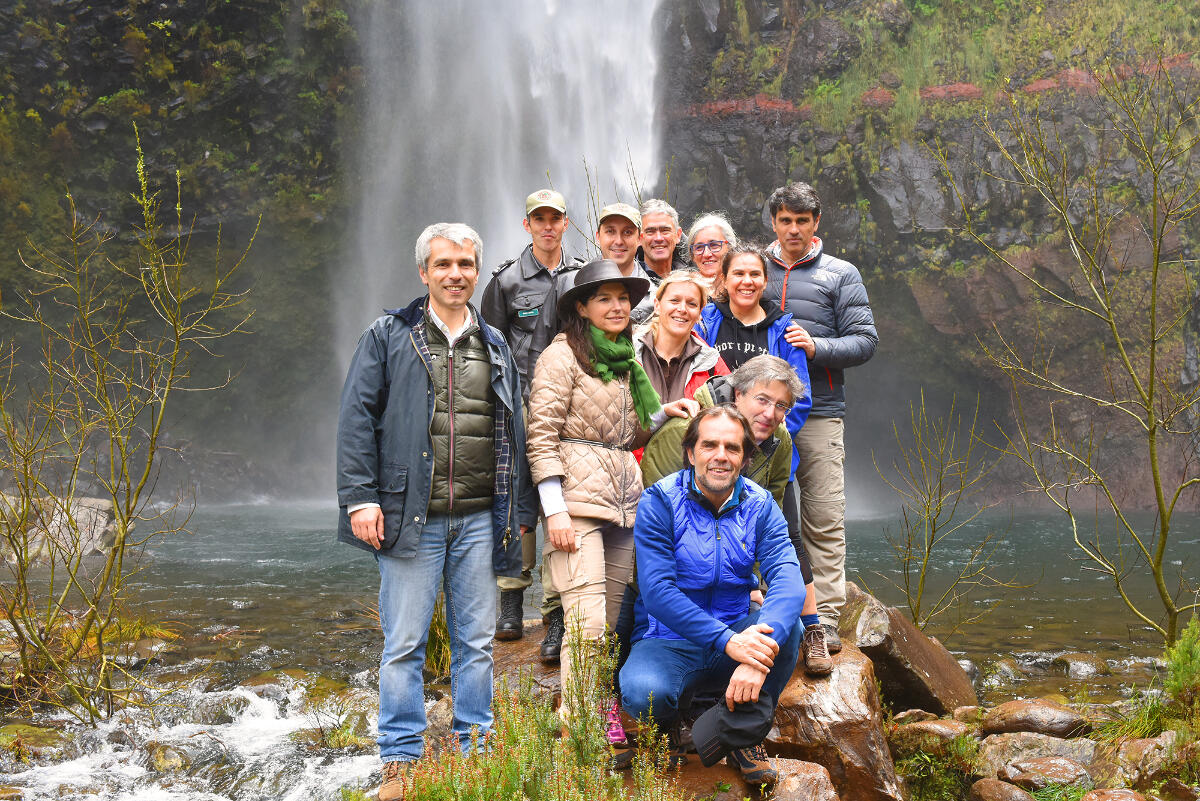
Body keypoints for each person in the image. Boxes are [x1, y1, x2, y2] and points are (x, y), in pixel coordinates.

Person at [336, 223, 537, 801]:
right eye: (444, 264)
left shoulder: (495, 345)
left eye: (466, 265)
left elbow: (514, 433)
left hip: (479, 517)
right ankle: (400, 759)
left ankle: (476, 746)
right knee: (404, 642)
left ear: (477, 272)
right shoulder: (387, 336)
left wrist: (519, 509)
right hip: (410, 517)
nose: (456, 274)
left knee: (475, 640)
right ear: (423, 272)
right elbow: (356, 420)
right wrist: (361, 497)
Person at [525, 259, 696, 742]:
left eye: (623, 298)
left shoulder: (622, 358)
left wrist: (664, 413)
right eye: (604, 298)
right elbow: (541, 436)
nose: (617, 306)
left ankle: (598, 712)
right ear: (582, 307)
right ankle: (577, 727)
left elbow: (625, 433)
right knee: (588, 621)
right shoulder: (562, 357)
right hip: (577, 504)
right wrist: (553, 508)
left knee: (613, 623)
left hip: (624, 503)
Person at [619, 406, 806, 788]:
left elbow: (788, 578)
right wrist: (730, 642)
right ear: (691, 453)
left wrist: (757, 655)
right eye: (710, 445)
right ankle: (668, 726)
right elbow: (657, 592)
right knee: (642, 692)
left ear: (745, 457)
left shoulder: (761, 506)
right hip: (667, 639)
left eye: (732, 448)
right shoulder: (660, 502)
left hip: (736, 624)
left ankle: (741, 731)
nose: (721, 455)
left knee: (791, 633)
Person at [640, 355, 829, 676]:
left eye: (782, 406)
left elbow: (773, 528)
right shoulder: (686, 430)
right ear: (738, 393)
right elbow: (658, 523)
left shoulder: (777, 438)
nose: (771, 414)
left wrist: (751, 581)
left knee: (783, 621)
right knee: (643, 687)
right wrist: (729, 639)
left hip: (732, 582)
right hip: (675, 582)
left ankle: (811, 628)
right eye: (763, 400)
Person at [762, 182, 877, 652]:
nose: (793, 229)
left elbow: (865, 341)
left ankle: (825, 616)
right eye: (785, 220)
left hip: (821, 413)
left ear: (816, 222)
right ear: (773, 221)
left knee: (824, 516)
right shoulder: (752, 271)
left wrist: (818, 347)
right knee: (765, 514)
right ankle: (769, 607)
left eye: (802, 221)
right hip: (763, 418)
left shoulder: (840, 274)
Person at [479, 188, 579, 659]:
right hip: (521, 403)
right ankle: (512, 603)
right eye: (538, 218)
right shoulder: (505, 282)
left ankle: (557, 609)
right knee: (519, 502)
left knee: (566, 501)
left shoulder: (582, 275)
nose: (547, 226)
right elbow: (488, 349)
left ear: (564, 222)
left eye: (554, 218)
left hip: (574, 404)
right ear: (527, 225)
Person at [694, 244, 811, 450]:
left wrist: (768, 436)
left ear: (765, 281)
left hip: (766, 450)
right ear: (724, 278)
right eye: (738, 273)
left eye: (755, 274)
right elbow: (692, 382)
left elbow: (800, 398)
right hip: (712, 445)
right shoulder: (703, 322)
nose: (747, 281)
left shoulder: (786, 331)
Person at [633, 271, 728, 405]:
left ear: (700, 313)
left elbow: (727, 414)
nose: (682, 309)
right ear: (657, 305)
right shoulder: (631, 354)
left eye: (692, 304)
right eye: (674, 300)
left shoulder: (712, 363)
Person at [595, 202, 658, 324]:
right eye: (610, 231)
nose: (618, 241)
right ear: (598, 237)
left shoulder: (656, 297)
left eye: (627, 232)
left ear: (640, 239)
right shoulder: (572, 284)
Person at [686, 212, 737, 295]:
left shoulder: (742, 285)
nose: (706, 254)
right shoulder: (683, 288)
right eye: (699, 247)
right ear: (693, 256)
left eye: (714, 245)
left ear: (730, 247)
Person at [637, 198, 690, 279]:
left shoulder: (693, 280)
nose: (658, 238)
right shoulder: (627, 281)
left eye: (665, 231)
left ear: (678, 235)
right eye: (650, 231)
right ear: (639, 238)